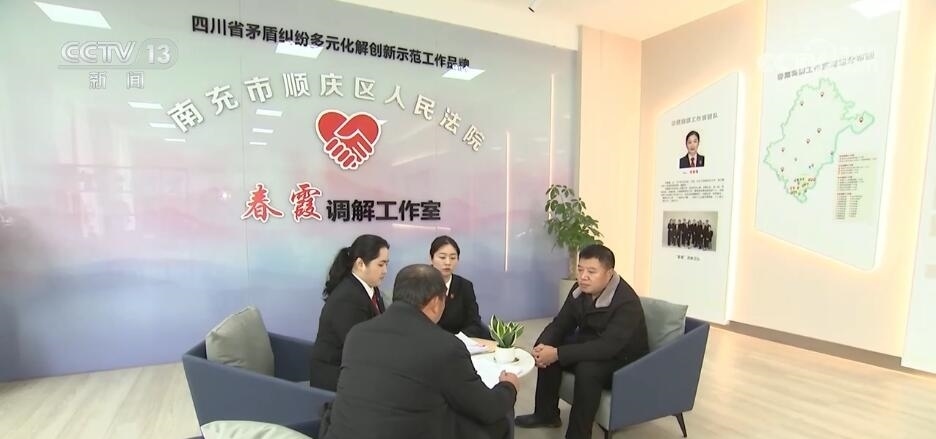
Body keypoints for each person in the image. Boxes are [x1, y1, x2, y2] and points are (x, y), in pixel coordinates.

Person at [321, 264, 519, 439]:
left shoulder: (357, 334)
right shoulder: (445, 347)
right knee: (499, 420)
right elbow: (487, 408)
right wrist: (509, 386)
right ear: (436, 303)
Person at [514, 244, 649, 439]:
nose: (583, 277)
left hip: (623, 359)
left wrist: (558, 354)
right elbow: (561, 323)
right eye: (580, 269)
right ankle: (546, 415)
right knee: (550, 350)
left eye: (591, 272)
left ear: (609, 273)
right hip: (592, 345)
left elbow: (607, 347)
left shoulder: (626, 303)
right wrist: (541, 346)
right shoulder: (579, 290)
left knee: (587, 369)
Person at [308, 234, 390, 392]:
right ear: (360, 264)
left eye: (387, 264)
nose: (385, 271)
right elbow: (358, 346)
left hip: (358, 369)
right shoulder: (347, 298)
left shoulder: (371, 290)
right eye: (380, 264)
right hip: (335, 377)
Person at [430, 236, 491, 339]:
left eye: (453, 258)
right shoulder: (419, 283)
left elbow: (474, 323)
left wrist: (457, 340)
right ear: (431, 258)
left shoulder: (465, 286)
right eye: (442, 257)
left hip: (458, 343)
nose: (448, 262)